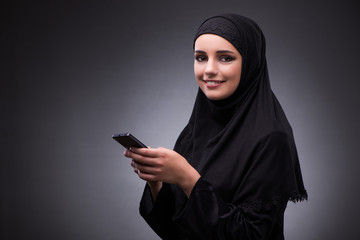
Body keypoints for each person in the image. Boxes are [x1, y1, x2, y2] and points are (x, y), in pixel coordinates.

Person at [124, 13, 307, 239]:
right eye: (201, 57)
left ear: (250, 63)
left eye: (225, 58)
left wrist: (187, 178)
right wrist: (157, 183)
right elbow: (174, 230)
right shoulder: (195, 130)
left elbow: (251, 235)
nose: (209, 69)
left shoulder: (271, 138)